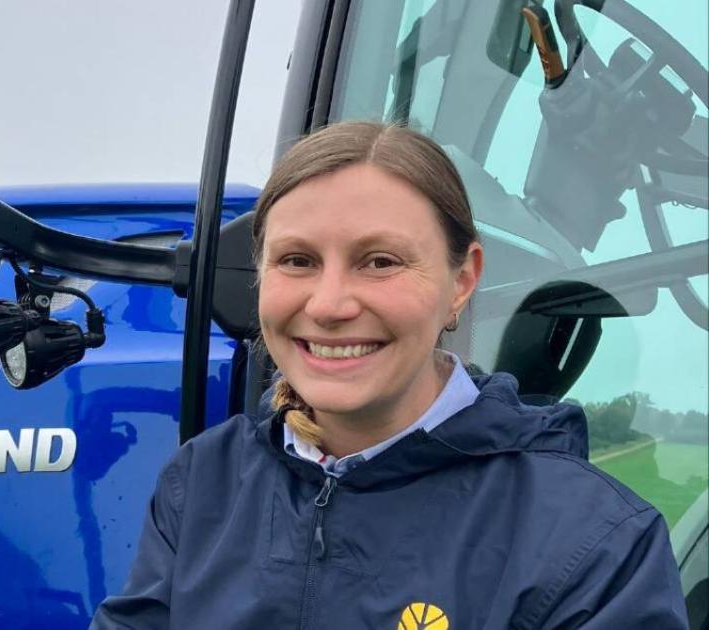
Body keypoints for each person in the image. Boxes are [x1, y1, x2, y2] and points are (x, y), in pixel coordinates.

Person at [90, 121, 688, 628]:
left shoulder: (597, 545)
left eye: (380, 261)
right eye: (297, 261)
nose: (328, 305)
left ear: (461, 280)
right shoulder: (201, 485)